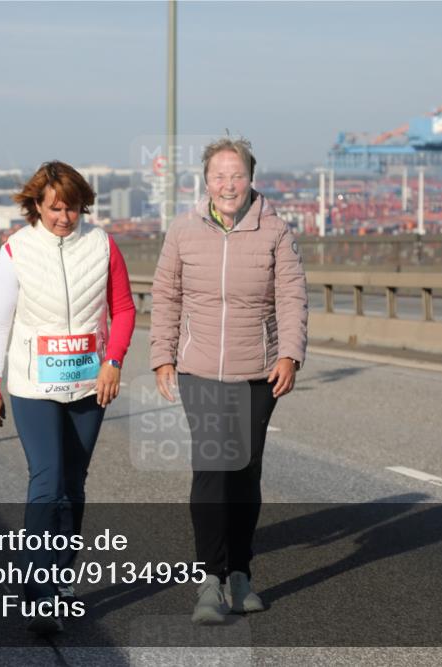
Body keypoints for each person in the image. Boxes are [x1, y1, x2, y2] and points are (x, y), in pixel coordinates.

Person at [149, 137, 308, 624]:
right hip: (200, 369)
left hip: (257, 370)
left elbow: (292, 296)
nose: (228, 184)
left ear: (251, 178)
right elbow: (165, 295)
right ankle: (210, 580)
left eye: (236, 175)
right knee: (213, 469)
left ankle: (241, 573)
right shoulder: (183, 230)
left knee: (245, 471)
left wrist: (290, 354)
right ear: (205, 181)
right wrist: (163, 356)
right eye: (219, 175)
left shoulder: (275, 231)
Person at [0, 161, 136, 634]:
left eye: (71, 208)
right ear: (36, 206)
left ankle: (63, 577)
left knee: (73, 485)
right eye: (54, 208)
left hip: (90, 385)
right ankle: (38, 594)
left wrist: (114, 360)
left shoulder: (102, 244)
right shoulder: (16, 251)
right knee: (46, 483)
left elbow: (125, 308)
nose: (63, 218)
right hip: (33, 387)